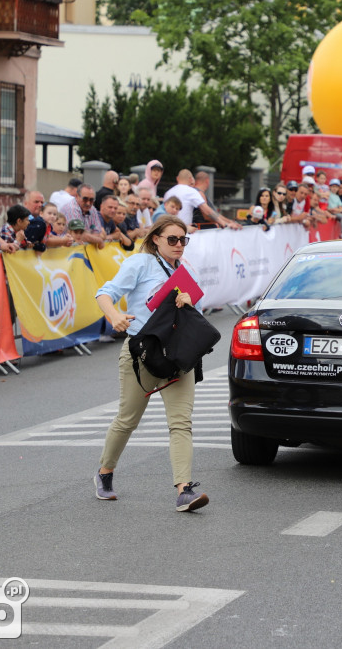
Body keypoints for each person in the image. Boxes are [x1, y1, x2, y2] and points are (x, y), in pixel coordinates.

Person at [93, 215, 209, 512]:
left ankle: (184, 490)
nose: (179, 245)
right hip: (142, 353)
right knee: (127, 419)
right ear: (155, 238)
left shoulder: (182, 269)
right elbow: (105, 293)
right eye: (172, 239)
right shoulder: (140, 263)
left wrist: (188, 301)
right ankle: (105, 472)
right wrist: (115, 316)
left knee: (181, 423)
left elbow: (193, 308)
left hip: (178, 356)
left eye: (183, 240)